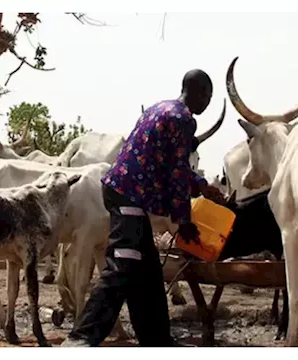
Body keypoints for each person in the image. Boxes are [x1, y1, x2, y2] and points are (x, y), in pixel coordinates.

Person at [61, 69, 224, 347]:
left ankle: (158, 341)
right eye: (207, 97)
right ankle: (81, 339)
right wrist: (183, 222)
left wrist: (201, 185)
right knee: (121, 266)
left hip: (122, 190)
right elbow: (175, 172)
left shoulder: (159, 109)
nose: (207, 104)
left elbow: (172, 163)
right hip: (130, 195)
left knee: (147, 273)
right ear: (198, 93)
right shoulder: (184, 119)